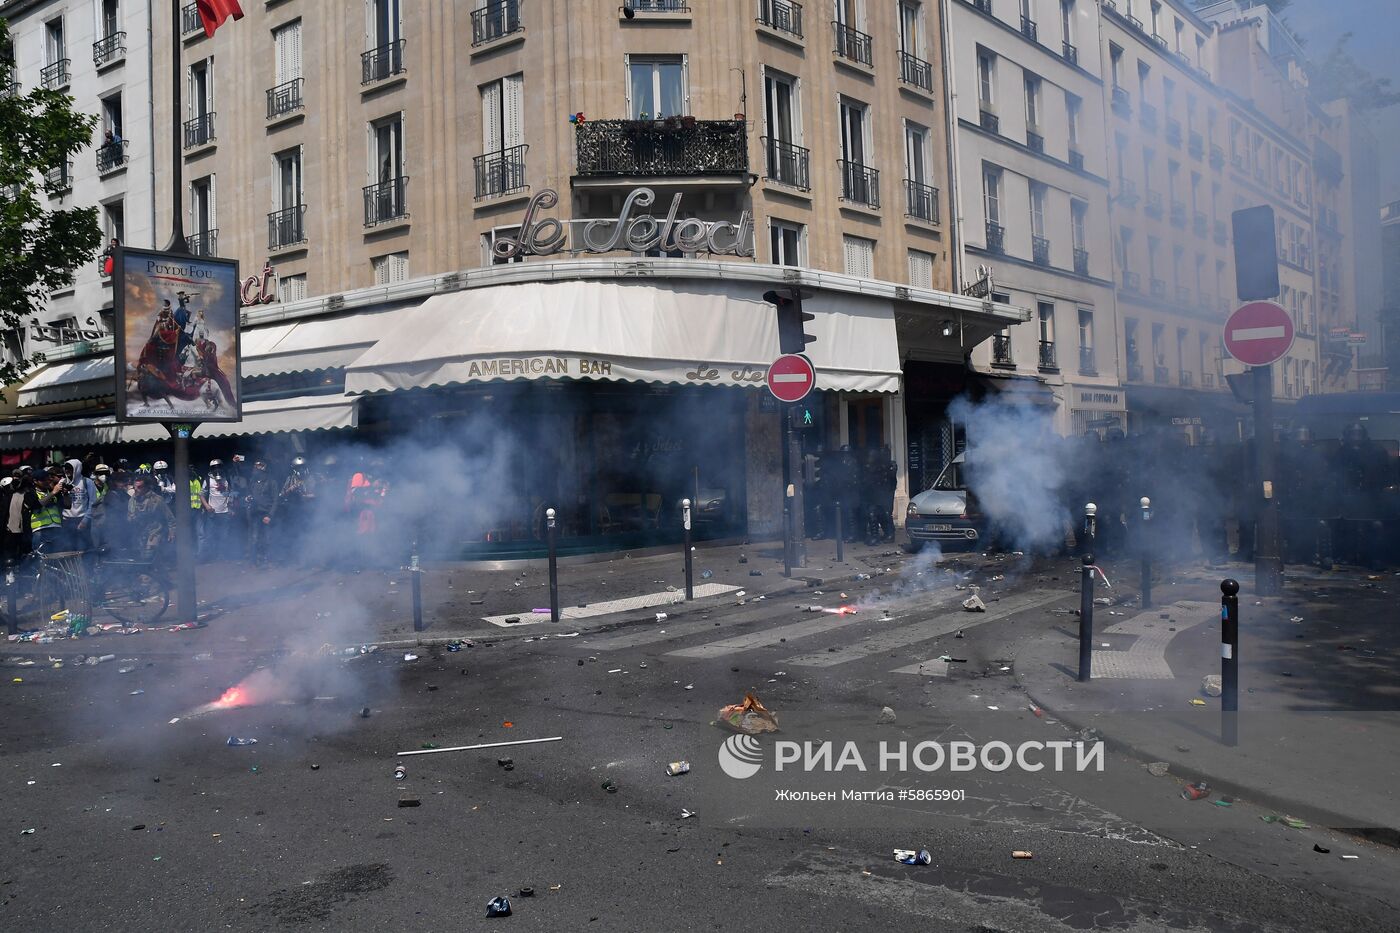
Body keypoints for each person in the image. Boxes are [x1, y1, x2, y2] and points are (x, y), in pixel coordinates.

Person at [127, 473, 174, 562]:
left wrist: (172, 533)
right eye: (135, 487)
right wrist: (133, 518)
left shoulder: (156, 500)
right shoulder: (132, 500)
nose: (136, 490)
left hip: (154, 532)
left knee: (149, 555)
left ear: (146, 487)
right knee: (141, 558)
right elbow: (129, 516)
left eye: (139, 487)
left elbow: (170, 518)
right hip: (140, 533)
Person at [90, 471, 133, 557]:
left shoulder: (124, 495)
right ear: (114, 483)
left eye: (125, 481)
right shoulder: (110, 495)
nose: (125, 483)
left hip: (123, 532)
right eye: (121, 481)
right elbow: (123, 509)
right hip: (112, 533)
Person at [59, 458, 97, 553]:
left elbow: (92, 503)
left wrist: (85, 520)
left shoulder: (87, 482)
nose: (67, 470)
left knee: (84, 549)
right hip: (67, 521)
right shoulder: (62, 482)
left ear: (77, 468)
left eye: (70, 468)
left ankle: (86, 567)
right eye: (66, 468)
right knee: (69, 549)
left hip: (82, 519)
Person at [245, 458, 278, 568]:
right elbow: (249, 494)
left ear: (263, 470)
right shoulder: (252, 482)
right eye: (255, 469)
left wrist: (269, 515)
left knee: (267, 538)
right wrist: (248, 498)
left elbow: (275, 500)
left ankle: (268, 560)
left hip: (266, 514)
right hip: (255, 514)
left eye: (257, 469)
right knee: (254, 538)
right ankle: (254, 561)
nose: (255, 471)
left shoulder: (271, 482)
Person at [200, 460, 236, 560]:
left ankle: (222, 556)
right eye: (214, 467)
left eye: (219, 467)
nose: (217, 469)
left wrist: (231, 507)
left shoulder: (227, 478)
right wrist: (207, 506)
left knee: (224, 535)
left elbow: (231, 493)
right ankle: (210, 556)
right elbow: (201, 494)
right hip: (212, 512)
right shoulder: (208, 480)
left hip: (225, 512)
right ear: (211, 469)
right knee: (210, 535)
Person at [27, 469, 64, 555]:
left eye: (48, 479)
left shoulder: (53, 492)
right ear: (35, 481)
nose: (47, 482)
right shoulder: (30, 493)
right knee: (40, 558)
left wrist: (65, 493)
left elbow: (67, 505)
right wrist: (53, 492)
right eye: (43, 480)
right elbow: (37, 505)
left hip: (56, 528)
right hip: (40, 530)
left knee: (58, 556)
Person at [874, 445, 898, 542]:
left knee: (887, 513)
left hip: (888, 492)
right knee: (880, 513)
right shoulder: (879, 465)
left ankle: (890, 534)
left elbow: (892, 479)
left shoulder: (891, 465)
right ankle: (887, 532)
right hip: (880, 492)